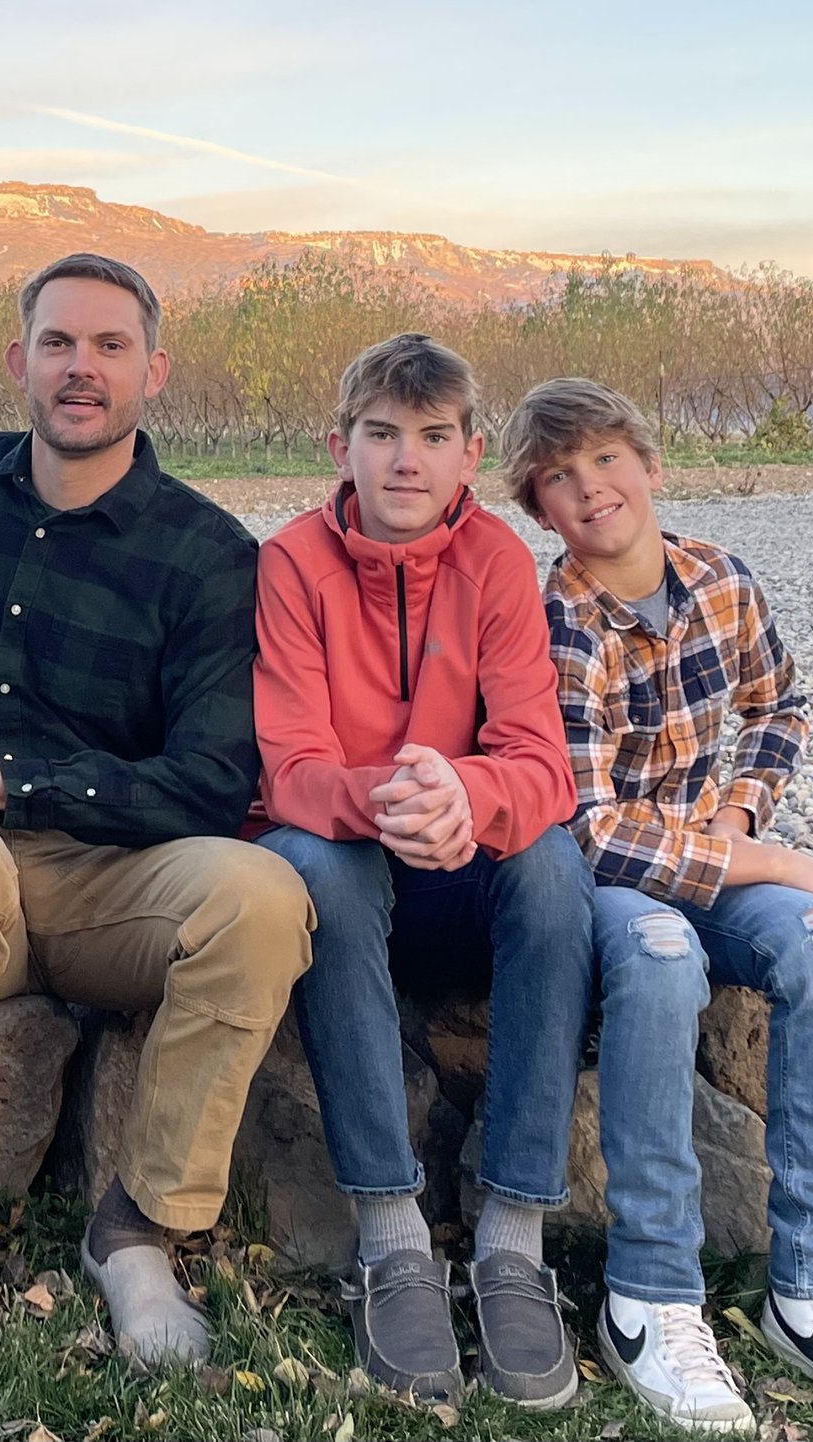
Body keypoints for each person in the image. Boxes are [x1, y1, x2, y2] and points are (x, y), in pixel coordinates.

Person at [0, 252, 314, 1373]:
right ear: (18, 362)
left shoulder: (205, 555)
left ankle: (138, 1230)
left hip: (117, 882)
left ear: (153, 371)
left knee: (261, 897)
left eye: (109, 346)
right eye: (57, 343)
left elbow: (209, 777)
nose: (80, 368)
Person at [511, 376, 813, 1437]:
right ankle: (650, 1293)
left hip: (713, 854)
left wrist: (746, 817)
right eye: (558, 478)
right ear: (538, 510)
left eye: (606, 459)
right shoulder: (561, 618)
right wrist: (784, 866)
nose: (590, 487)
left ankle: (812, 1286)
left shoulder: (719, 577)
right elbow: (588, 826)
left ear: (649, 463)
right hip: (616, 882)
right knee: (664, 955)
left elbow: (776, 703)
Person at [251, 334, 593, 1407]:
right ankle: (389, 1234)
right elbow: (289, 765)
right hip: (350, 870)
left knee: (548, 866)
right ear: (339, 445)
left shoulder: (492, 559)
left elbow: (539, 762)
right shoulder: (291, 562)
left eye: (431, 437)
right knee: (314, 858)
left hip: (455, 867)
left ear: (468, 452)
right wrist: (395, 799)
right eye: (381, 434)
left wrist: (466, 799)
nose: (405, 459)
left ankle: (511, 1237)